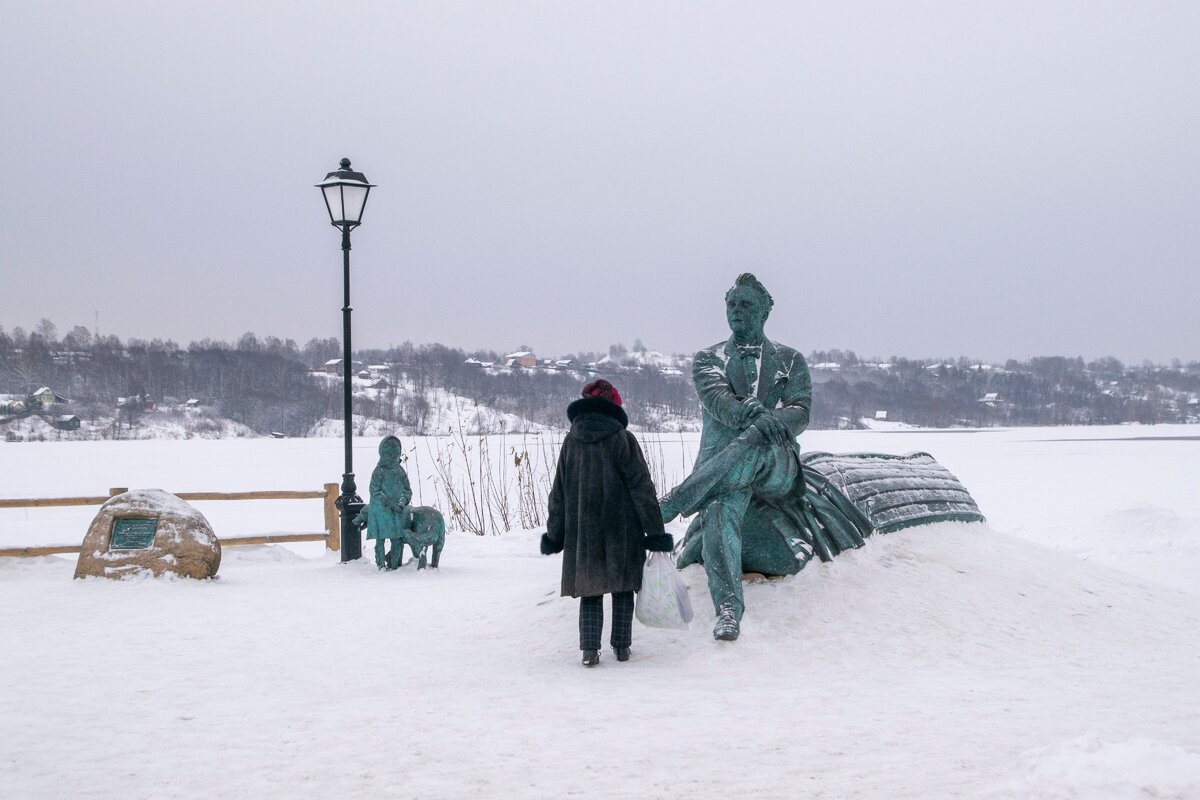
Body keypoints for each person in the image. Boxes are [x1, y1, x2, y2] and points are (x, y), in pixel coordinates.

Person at [659, 273, 812, 641]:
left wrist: (768, 424)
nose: (736, 311)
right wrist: (760, 416)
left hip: (776, 464)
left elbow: (801, 411)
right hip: (728, 473)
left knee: (759, 440)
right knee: (717, 510)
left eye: (745, 305)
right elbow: (721, 404)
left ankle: (678, 499)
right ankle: (729, 609)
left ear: (764, 313)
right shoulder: (707, 360)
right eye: (732, 305)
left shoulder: (791, 360)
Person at [541, 379, 673, 667]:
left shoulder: (571, 441)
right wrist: (655, 532)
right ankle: (622, 647)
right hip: (622, 529)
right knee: (623, 586)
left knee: (590, 589)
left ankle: (589, 651)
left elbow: (558, 492)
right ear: (613, 405)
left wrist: (555, 534)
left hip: (583, 532)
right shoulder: (623, 439)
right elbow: (642, 489)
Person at [358, 435, 413, 570]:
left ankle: (394, 565)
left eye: (396, 450)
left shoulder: (400, 471)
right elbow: (375, 492)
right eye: (390, 450)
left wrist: (402, 502)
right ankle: (381, 565)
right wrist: (389, 503)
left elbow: (407, 490)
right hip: (381, 510)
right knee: (381, 539)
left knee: (396, 539)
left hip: (397, 511)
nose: (393, 453)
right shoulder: (379, 471)